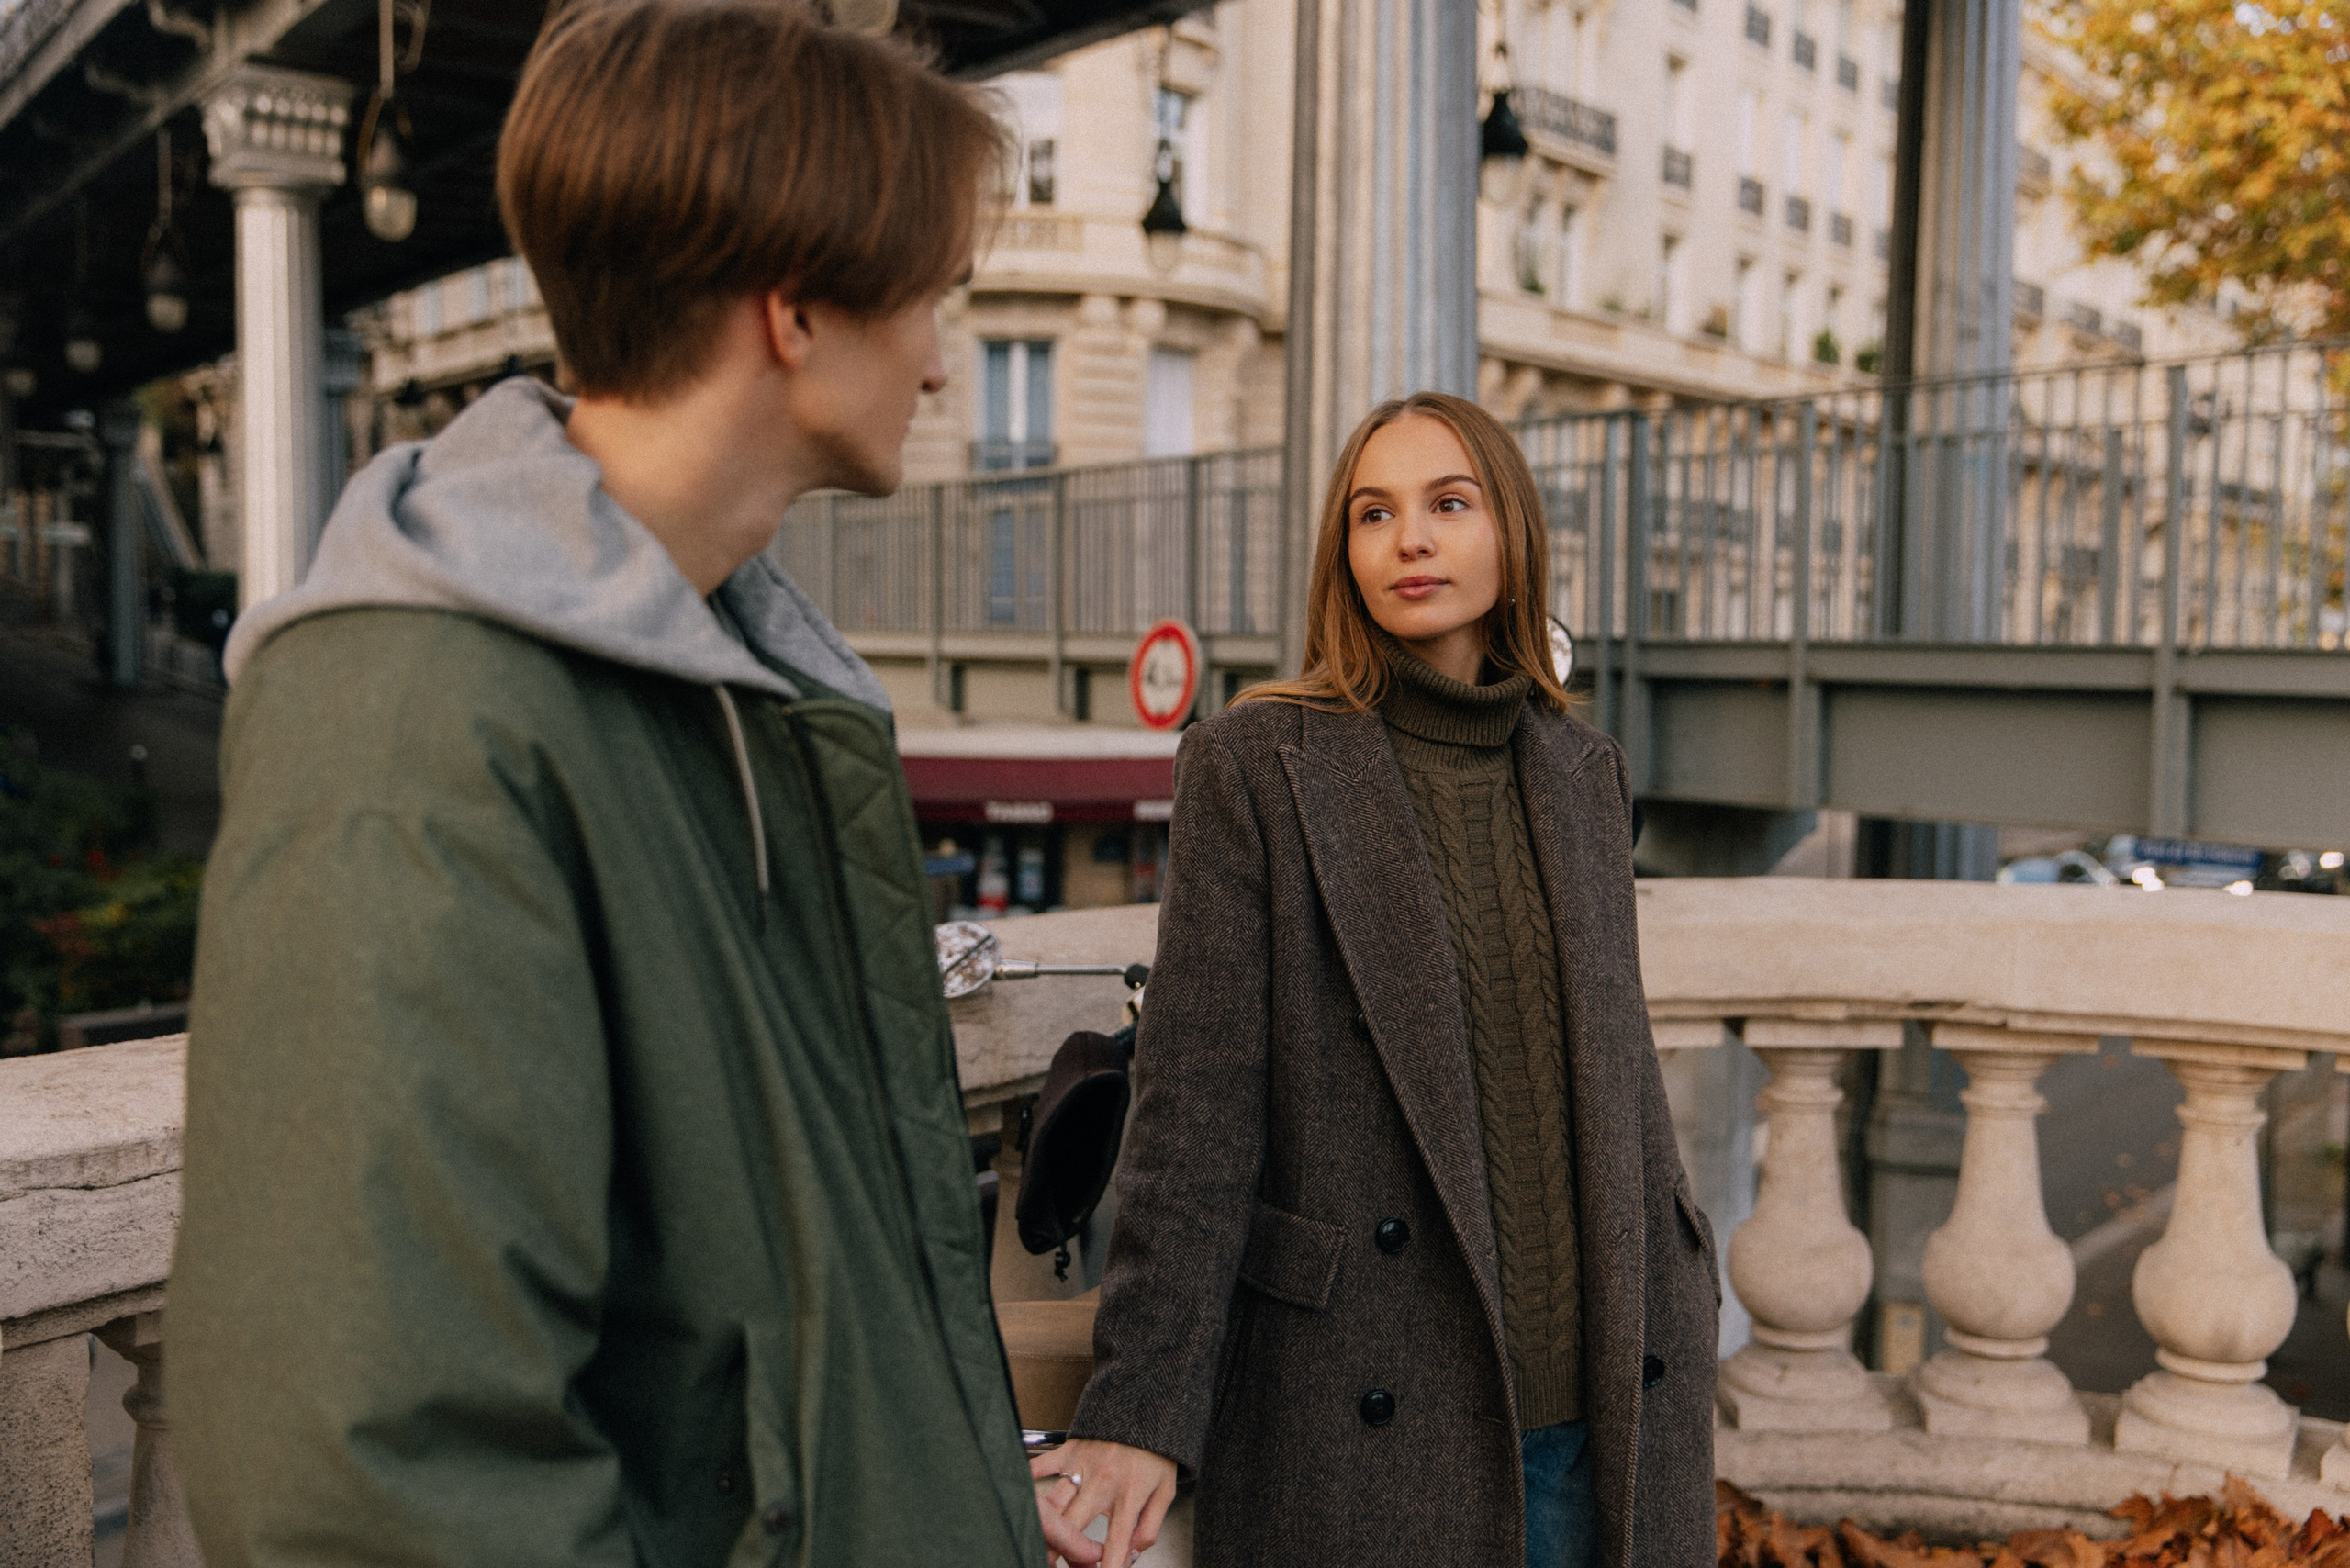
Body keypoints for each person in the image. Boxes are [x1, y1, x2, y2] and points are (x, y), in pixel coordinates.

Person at [169, 5, 1097, 1563]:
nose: (945, 367)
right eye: (932, 297)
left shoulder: (730, 687)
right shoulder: (418, 724)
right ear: (795, 312)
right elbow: (372, 1475)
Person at [1035, 393, 1720, 1568]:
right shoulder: (1256, 766)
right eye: (1373, 513)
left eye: (1448, 504)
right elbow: (1195, 1117)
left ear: (1510, 532)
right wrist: (1140, 1406)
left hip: (1606, 1401)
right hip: (1368, 1405)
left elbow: (1616, 1081)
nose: (1409, 540)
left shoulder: (1582, 772)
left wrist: (1685, 1280)